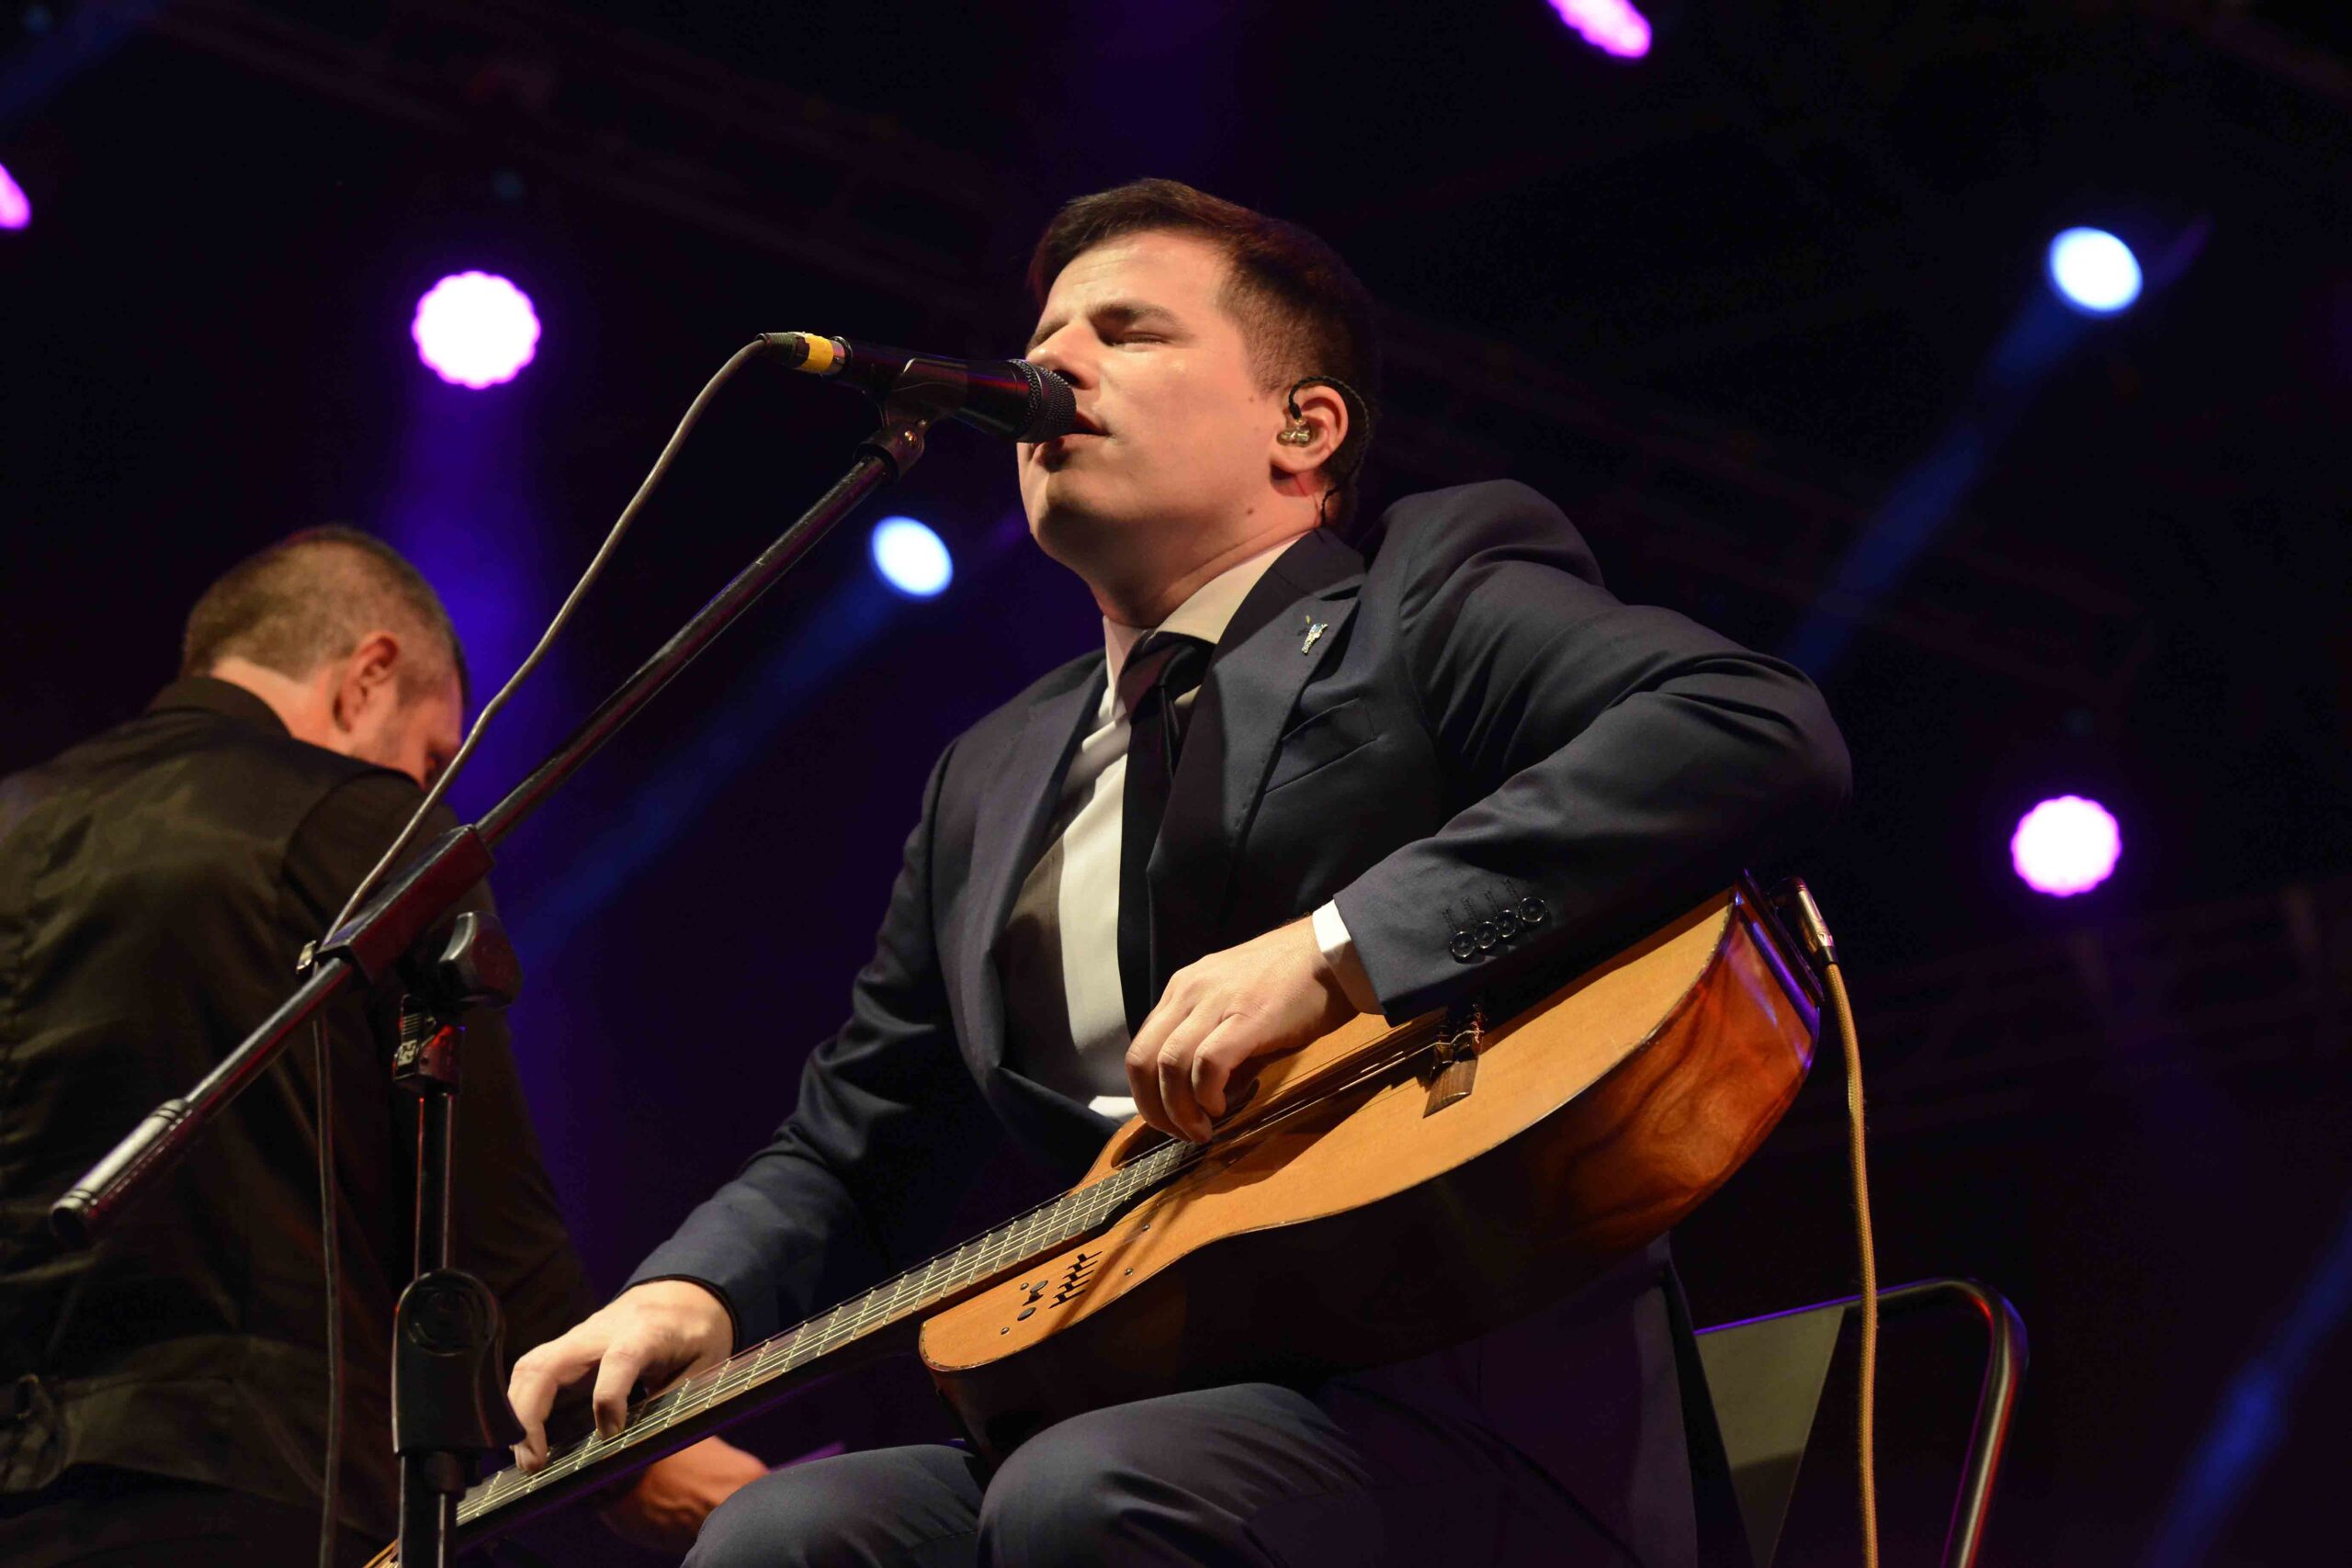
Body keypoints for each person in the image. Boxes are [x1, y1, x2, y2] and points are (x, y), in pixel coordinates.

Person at [507, 179, 1852, 1567]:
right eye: (1046, 335)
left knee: (1087, 1492)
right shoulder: (991, 771)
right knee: (784, 1533)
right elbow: (860, 1137)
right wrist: (696, 1289)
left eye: (1128, 331)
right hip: (1125, 1403)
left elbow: (1746, 725)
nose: (1056, 364)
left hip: (1464, 1411)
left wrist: (1338, 944)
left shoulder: (1423, 592)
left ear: (1304, 429)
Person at [0, 529, 762, 1565]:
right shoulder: (366, 824)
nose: (427, 786)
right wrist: (625, 1454)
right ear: (368, 675)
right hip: (243, 1484)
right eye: (433, 755)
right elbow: (480, 1208)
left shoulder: (14, 816)